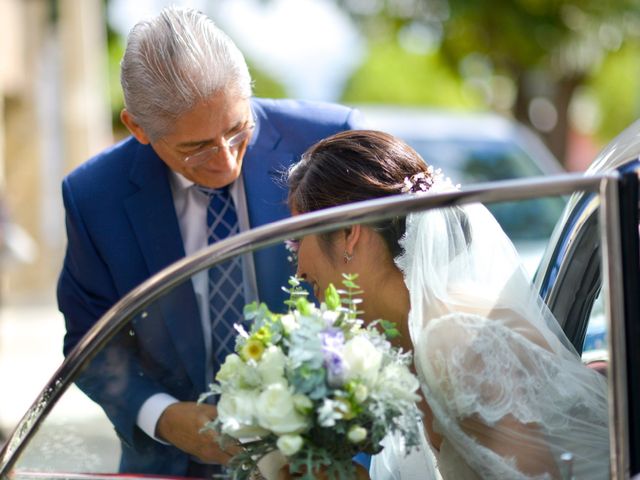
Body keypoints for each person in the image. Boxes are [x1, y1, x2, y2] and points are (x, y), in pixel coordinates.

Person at [56, 6, 365, 477]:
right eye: (195, 147)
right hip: (174, 466)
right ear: (138, 128)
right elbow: (91, 341)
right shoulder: (93, 196)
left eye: (238, 129)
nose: (225, 160)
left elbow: (390, 289)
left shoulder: (331, 140)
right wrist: (162, 415)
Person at [287, 130, 610, 479]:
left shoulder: (456, 337)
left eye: (298, 237)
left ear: (350, 232)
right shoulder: (405, 343)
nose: (299, 268)